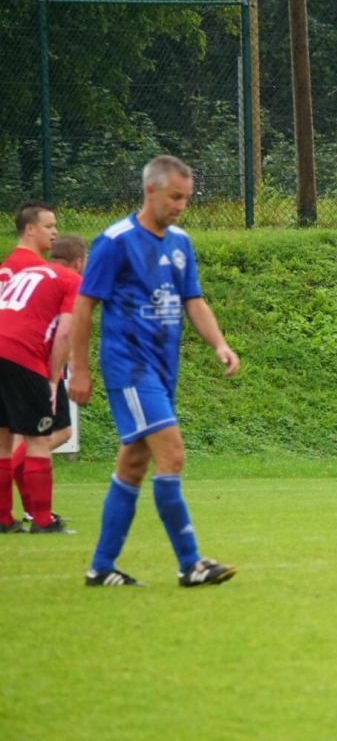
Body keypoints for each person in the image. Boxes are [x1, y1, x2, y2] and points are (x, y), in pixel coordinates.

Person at [68, 155, 241, 587]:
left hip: (163, 370)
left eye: (187, 197)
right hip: (130, 368)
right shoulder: (116, 241)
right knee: (172, 454)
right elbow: (84, 306)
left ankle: (101, 568)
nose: (182, 205)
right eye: (175, 196)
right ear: (150, 190)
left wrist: (219, 343)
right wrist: (79, 370)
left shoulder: (180, 242)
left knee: (133, 464)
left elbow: (194, 302)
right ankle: (191, 564)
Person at [0, 234, 87, 533]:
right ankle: (41, 521)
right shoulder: (70, 279)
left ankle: (3, 519)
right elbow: (65, 333)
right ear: (79, 262)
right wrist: (53, 380)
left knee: (3, 440)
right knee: (38, 439)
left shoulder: (26, 273)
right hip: (23, 356)